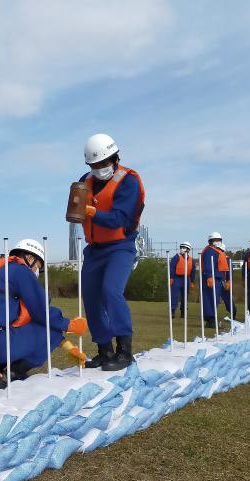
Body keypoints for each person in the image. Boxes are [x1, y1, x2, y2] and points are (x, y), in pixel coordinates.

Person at [0, 239, 87, 392]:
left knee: (23, 328)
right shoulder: (21, 271)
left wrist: (68, 347)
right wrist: (68, 325)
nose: (36, 271)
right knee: (50, 330)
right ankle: (13, 372)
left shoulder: (0, 269)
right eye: (38, 267)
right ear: (30, 258)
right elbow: (41, 312)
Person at [79, 134, 145, 371]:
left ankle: (124, 351)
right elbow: (77, 210)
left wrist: (92, 212)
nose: (99, 169)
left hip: (120, 246)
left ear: (115, 159)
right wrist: (76, 210)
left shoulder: (129, 181)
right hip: (94, 249)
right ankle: (104, 351)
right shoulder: (84, 181)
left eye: (103, 164)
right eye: (94, 165)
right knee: (92, 297)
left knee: (111, 291)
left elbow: (121, 218)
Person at [200, 232, 229, 328]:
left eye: (218, 240)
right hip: (211, 278)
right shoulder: (210, 251)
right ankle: (211, 320)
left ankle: (210, 320)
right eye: (214, 240)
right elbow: (208, 265)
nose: (217, 242)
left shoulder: (216, 251)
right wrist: (209, 277)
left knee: (214, 299)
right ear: (210, 242)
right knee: (210, 299)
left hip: (217, 279)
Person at [169, 241, 195, 319]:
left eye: (184, 248)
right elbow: (172, 268)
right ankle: (172, 312)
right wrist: (171, 278)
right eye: (181, 248)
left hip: (186, 279)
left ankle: (183, 312)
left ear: (188, 249)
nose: (182, 249)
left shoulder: (191, 259)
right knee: (174, 295)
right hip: (177, 279)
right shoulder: (176, 257)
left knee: (185, 296)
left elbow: (193, 270)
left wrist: (192, 281)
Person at [218, 243, 237, 319]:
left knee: (227, 298)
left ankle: (233, 312)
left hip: (224, 281)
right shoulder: (215, 257)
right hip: (216, 280)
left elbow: (229, 271)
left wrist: (228, 281)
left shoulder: (227, 259)